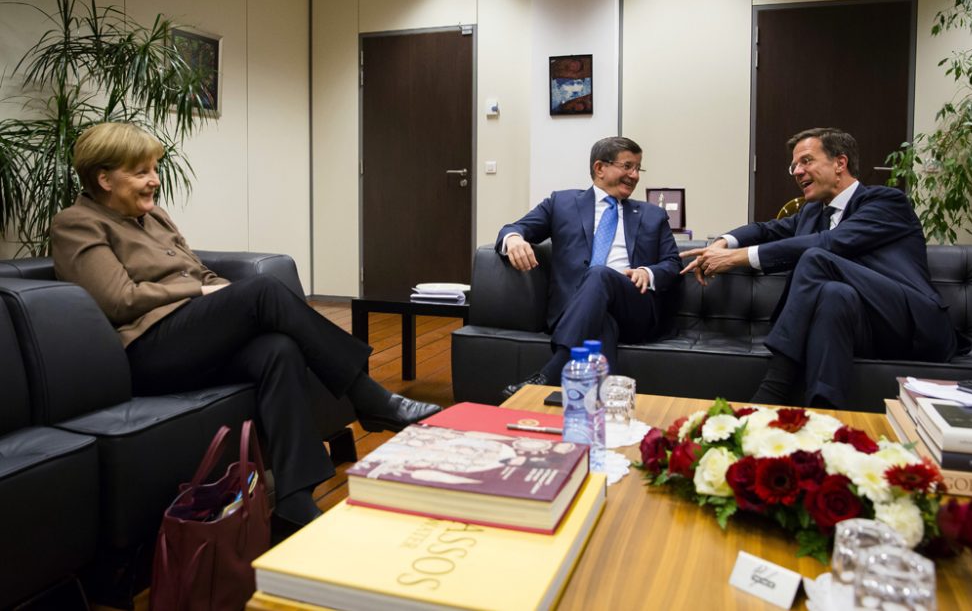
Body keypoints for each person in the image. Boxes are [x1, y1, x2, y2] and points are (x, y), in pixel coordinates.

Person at [50, 122, 441, 528]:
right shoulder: (76, 224)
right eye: (141, 172)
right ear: (104, 178)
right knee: (262, 291)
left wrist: (216, 292)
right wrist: (200, 294)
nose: (155, 180)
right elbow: (117, 300)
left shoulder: (155, 218)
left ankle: (292, 501)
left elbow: (199, 272)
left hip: (190, 338)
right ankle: (369, 397)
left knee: (278, 350)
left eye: (154, 168)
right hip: (148, 350)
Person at [680, 127, 957, 409]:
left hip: (909, 322)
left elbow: (831, 243)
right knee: (835, 294)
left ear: (840, 163)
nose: (797, 171)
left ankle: (774, 386)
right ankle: (824, 412)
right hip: (857, 327)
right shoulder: (812, 212)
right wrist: (724, 243)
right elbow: (765, 230)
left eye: (806, 161)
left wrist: (736, 259)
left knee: (815, 257)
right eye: (794, 165)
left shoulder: (886, 202)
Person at [497, 136, 681, 398]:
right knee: (601, 320)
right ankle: (606, 406)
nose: (635, 175)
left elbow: (672, 263)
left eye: (638, 168)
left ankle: (550, 373)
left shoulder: (653, 215)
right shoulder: (561, 203)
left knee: (599, 275)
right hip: (576, 308)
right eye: (627, 166)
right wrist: (514, 239)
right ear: (600, 168)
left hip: (634, 305)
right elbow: (515, 228)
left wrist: (647, 272)